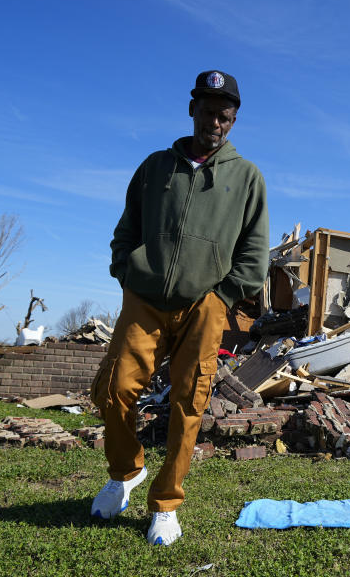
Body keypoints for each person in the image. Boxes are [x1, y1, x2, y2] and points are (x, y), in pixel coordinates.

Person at [90, 70, 269, 546]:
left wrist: (223, 297)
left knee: (188, 403)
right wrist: (126, 270)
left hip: (204, 305)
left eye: (225, 115)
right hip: (145, 299)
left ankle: (166, 503)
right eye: (209, 111)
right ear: (192, 109)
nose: (216, 121)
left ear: (234, 120)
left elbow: (255, 253)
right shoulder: (155, 167)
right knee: (112, 389)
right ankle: (126, 472)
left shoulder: (247, 177)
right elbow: (127, 227)